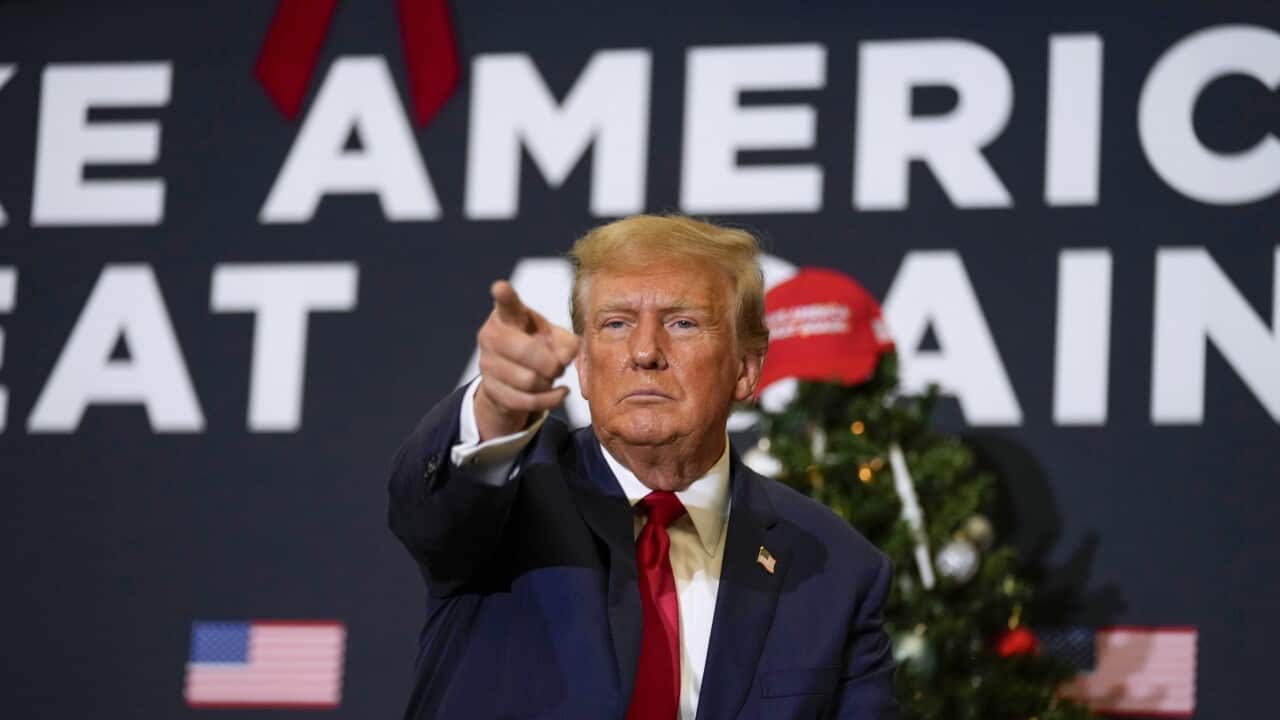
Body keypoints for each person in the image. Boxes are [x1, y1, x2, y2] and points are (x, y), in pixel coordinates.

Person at [387, 215, 897, 719]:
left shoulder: (836, 569)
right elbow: (428, 510)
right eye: (616, 323)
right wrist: (496, 406)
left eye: (682, 322)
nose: (646, 351)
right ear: (583, 365)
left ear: (746, 367)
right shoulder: (511, 493)